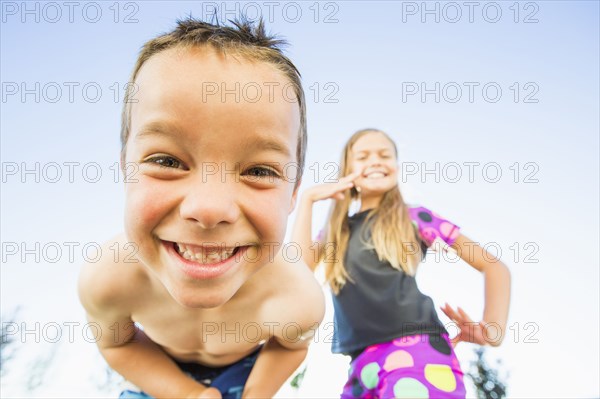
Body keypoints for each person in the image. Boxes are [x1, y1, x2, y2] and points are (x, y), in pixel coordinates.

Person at [78, 17, 325, 399]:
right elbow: (119, 345)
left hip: (250, 368)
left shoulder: (298, 297)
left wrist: (253, 395)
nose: (208, 210)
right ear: (125, 169)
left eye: (259, 170)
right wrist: (189, 394)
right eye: (167, 161)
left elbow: (290, 346)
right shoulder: (108, 279)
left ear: (293, 191)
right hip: (156, 365)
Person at [291, 128, 511, 398]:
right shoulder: (336, 231)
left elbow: (493, 266)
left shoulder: (414, 217)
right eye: (363, 156)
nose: (375, 161)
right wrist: (308, 200)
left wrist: (493, 330)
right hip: (360, 365)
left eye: (385, 155)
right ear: (347, 168)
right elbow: (296, 274)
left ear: (395, 166)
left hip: (418, 352)